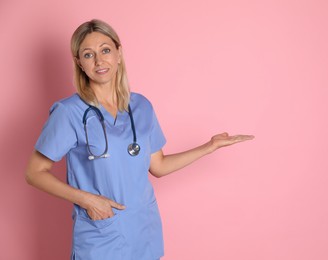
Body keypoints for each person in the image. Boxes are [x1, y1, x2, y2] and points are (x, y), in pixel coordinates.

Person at [25, 19, 254, 260]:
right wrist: (87, 200)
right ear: (79, 63)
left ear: (119, 54)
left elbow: (159, 166)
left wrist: (209, 147)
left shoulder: (141, 106)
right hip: (100, 234)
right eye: (88, 54)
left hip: (143, 230)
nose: (99, 61)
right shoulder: (69, 112)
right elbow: (34, 172)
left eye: (105, 50)